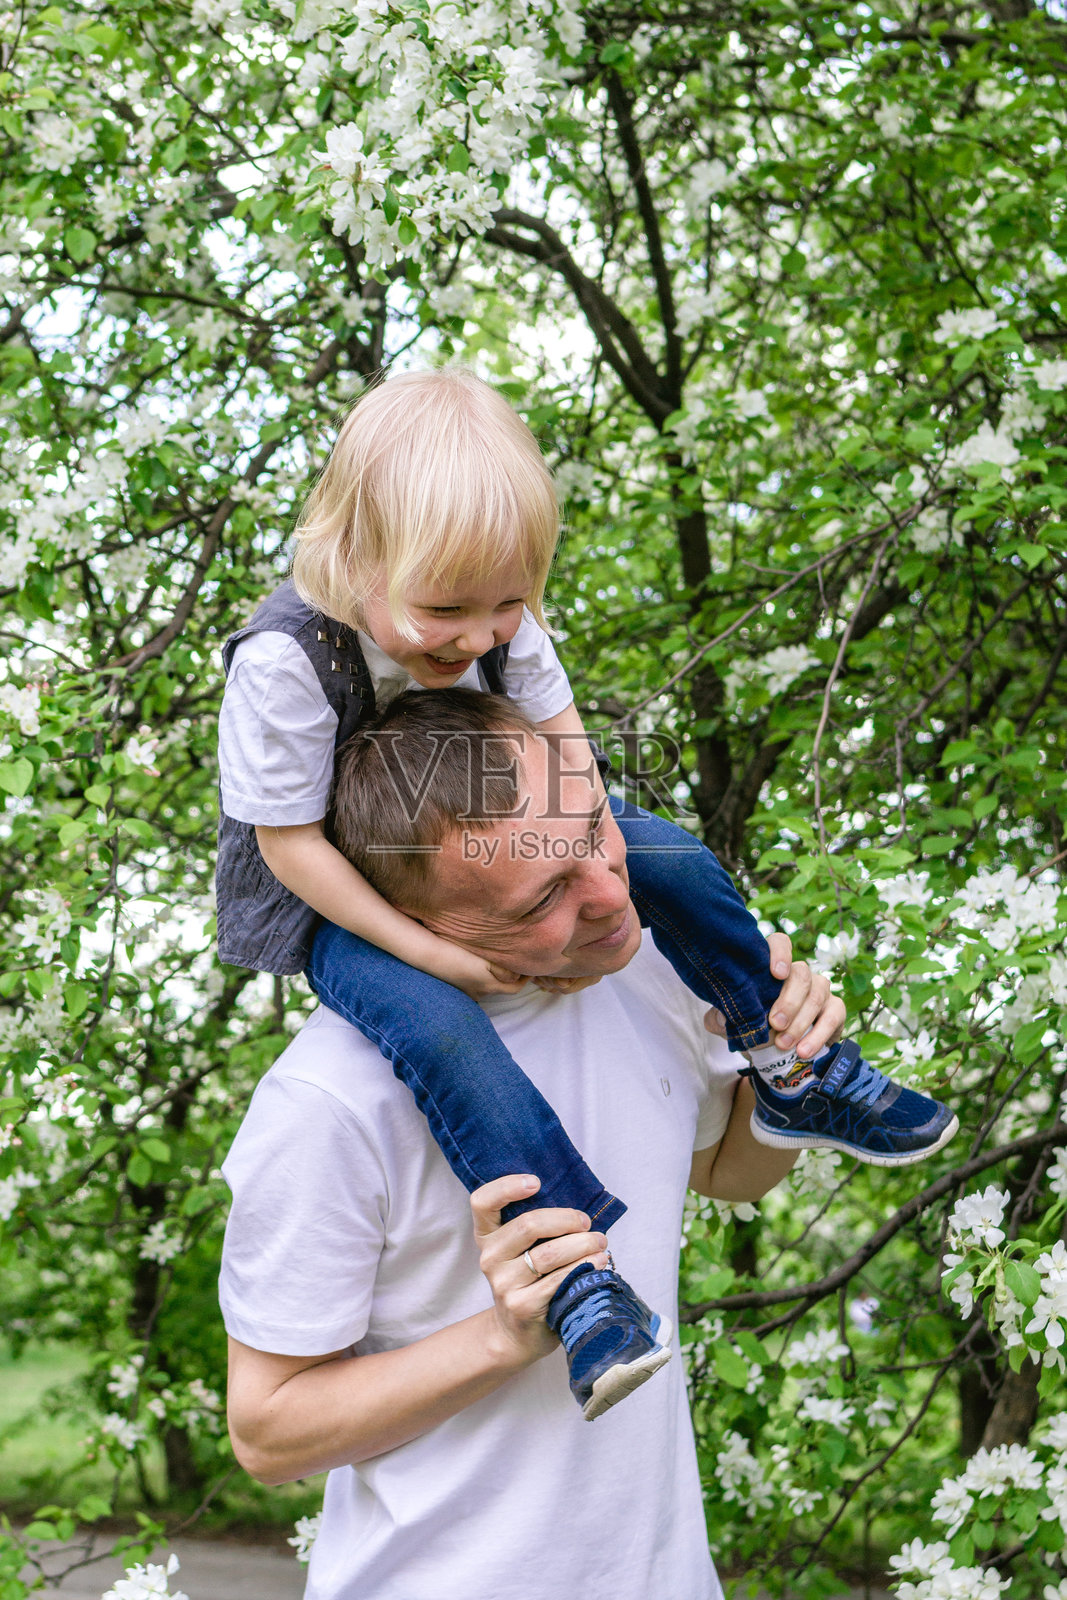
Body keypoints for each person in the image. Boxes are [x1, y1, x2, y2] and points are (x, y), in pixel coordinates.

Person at [215, 367, 956, 1416]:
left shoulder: (497, 615)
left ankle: (789, 1059)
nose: (478, 637)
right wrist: (433, 954)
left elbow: (571, 762)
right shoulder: (287, 661)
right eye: (444, 611)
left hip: (497, 827)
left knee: (673, 859)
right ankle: (574, 1279)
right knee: (439, 1030)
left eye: (506, 605)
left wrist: (604, 859)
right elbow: (290, 848)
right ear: (351, 556)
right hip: (341, 898)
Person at [220, 693, 845, 1600]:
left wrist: (789, 1072)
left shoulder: (646, 967)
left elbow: (728, 1172)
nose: (608, 894)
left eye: (594, 829)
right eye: (546, 895)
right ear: (418, 924)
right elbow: (267, 1433)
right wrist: (502, 1336)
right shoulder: (327, 1101)